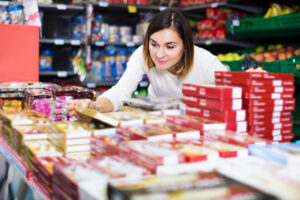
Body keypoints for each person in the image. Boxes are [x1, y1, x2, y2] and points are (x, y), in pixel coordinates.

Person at [67, 8, 261, 116]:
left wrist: (252, 80)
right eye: (154, 44)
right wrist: (94, 106)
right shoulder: (143, 54)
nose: (159, 54)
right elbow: (120, 91)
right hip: (160, 122)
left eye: (170, 46)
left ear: (185, 45)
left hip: (198, 127)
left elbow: (233, 89)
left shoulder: (206, 62)